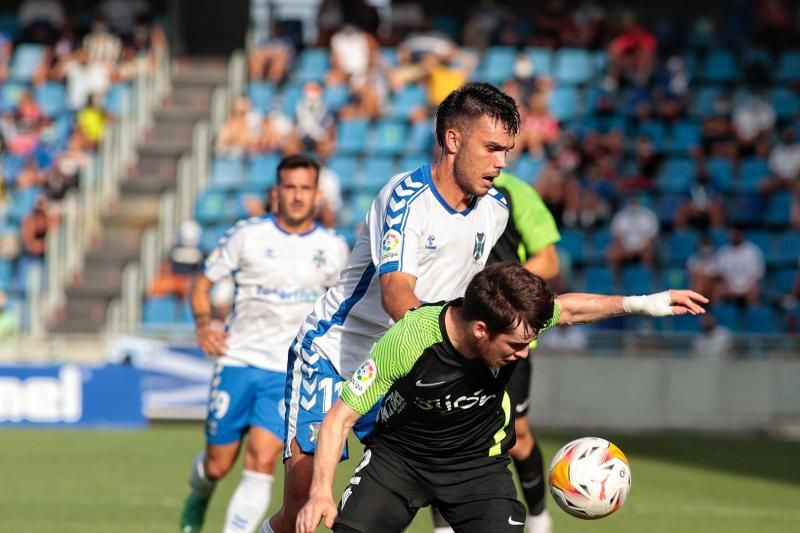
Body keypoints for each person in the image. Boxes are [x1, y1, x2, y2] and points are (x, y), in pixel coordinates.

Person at [263, 81, 520, 533]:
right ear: (453, 140)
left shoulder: (495, 209)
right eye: (493, 148)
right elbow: (397, 297)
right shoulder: (405, 199)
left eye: (507, 151)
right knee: (302, 510)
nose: (502, 163)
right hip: (336, 355)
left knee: (439, 472)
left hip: (403, 364)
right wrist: (451, 350)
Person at [296, 262, 708, 533]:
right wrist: (319, 492)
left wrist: (647, 303)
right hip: (398, 460)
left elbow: (567, 310)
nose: (524, 354)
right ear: (480, 330)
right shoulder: (409, 341)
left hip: (477, 466)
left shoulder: (516, 319)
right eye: (515, 345)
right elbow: (339, 418)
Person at [179, 154, 349, 533]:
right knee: (217, 464)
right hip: (238, 360)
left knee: (261, 461)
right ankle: (200, 493)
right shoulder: (247, 236)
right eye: (290, 187)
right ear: (276, 192)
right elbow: (202, 284)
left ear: (317, 194)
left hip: (288, 372)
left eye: (305, 188)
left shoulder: (334, 248)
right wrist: (205, 325)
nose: (298, 196)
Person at [431, 171, 560, 533]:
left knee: (515, 437)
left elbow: (549, 261)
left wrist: (498, 292)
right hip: (454, 335)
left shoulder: (515, 193)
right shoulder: (434, 195)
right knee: (442, 432)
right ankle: (444, 527)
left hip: (505, 339)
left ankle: (538, 518)